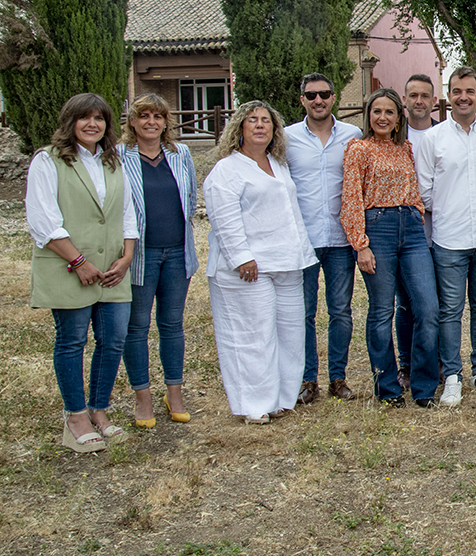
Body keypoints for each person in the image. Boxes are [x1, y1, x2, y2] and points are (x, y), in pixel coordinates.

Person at [27, 93, 137, 452]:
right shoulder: (49, 160)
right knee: (72, 341)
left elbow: (128, 213)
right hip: (71, 267)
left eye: (100, 118)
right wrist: (78, 261)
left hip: (112, 269)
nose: (93, 124)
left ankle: (99, 409)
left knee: (114, 340)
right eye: (84, 118)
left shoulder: (112, 160)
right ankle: (74, 416)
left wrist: (127, 257)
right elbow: (43, 220)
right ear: (70, 121)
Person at [203, 101, 317, 424]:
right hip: (249, 267)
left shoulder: (277, 164)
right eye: (252, 120)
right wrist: (241, 256)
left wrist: (301, 253)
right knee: (254, 335)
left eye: (266, 120)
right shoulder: (228, 168)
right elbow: (223, 216)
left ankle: (281, 398)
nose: (259, 125)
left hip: (287, 262)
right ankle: (254, 404)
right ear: (239, 127)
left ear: (275, 130)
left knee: (290, 334)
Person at [340, 89, 440, 408]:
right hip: (377, 228)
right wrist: (361, 245)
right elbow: (351, 198)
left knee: (427, 307)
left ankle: (424, 387)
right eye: (377, 111)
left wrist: (415, 211)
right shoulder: (358, 149)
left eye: (389, 112)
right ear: (368, 115)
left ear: (399, 119)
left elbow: (414, 188)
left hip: (411, 228)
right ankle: (387, 387)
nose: (383, 117)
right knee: (382, 310)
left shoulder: (406, 148)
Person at [415, 67, 476, 406]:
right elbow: (424, 190)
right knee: (450, 310)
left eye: (469, 90)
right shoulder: (433, 138)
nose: (463, 97)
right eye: (457, 91)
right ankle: (452, 374)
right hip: (449, 239)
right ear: (448, 95)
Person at [119, 94, 198, 427]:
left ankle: (174, 393)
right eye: (144, 116)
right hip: (140, 255)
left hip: (177, 252)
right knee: (136, 327)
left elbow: (191, 197)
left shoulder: (180, 154)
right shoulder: (120, 157)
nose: (151, 122)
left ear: (166, 122)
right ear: (133, 122)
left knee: (172, 325)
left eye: (158, 116)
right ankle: (143, 398)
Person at [285, 72, 361, 404]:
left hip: (341, 239)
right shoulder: (286, 138)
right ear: (302, 99)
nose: (319, 100)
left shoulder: (352, 135)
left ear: (334, 98)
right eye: (311, 95)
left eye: (325, 94)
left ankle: (337, 377)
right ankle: (307, 379)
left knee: (340, 311)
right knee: (303, 312)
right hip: (303, 239)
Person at [393, 73, 439, 391]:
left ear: (434, 101)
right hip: (405, 237)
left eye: (425, 95)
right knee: (407, 303)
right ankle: (407, 365)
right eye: (413, 95)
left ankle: (433, 362)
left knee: (435, 305)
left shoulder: (443, 135)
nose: (419, 101)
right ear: (405, 100)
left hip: (443, 234)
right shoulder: (395, 139)